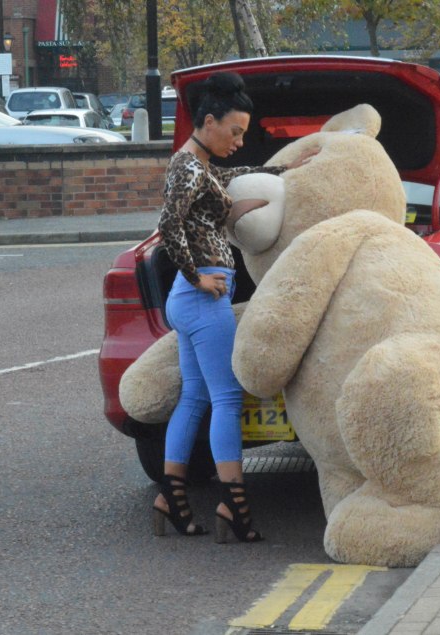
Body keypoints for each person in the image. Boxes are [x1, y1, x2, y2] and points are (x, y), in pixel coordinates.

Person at [151, 71, 311, 543]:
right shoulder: (187, 167)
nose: (240, 140)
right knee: (225, 398)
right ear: (208, 120)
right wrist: (196, 274)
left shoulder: (199, 163)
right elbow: (168, 223)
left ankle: (171, 497)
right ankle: (234, 504)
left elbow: (231, 177)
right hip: (203, 296)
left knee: (196, 397)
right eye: (235, 131)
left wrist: (285, 171)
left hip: (191, 299)